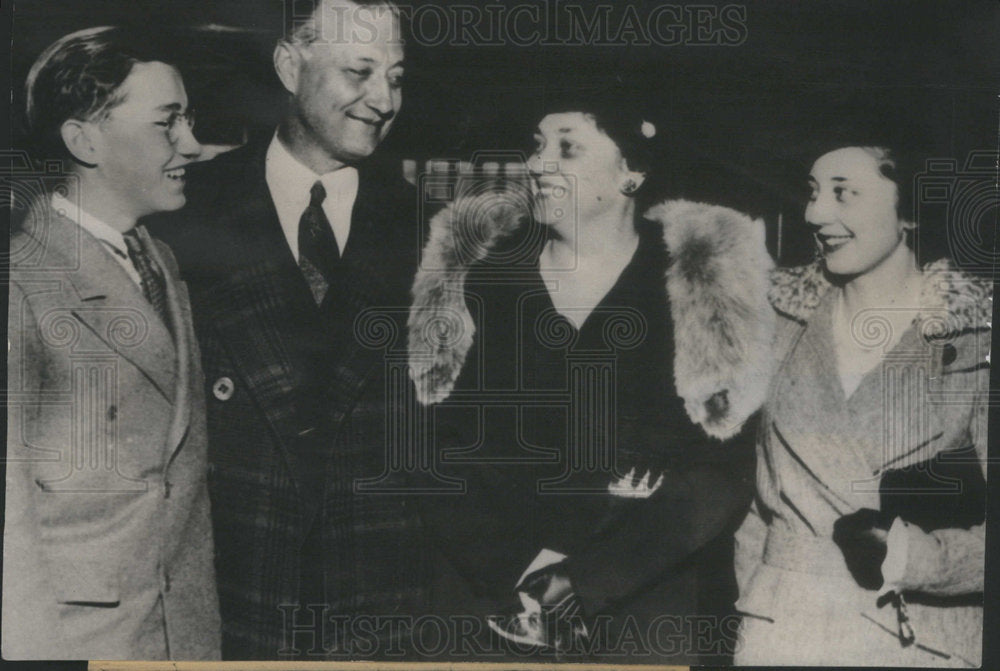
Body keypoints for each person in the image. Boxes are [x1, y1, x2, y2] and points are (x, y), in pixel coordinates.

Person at [407, 90, 775, 664]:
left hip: (644, 614)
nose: (537, 164)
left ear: (632, 173)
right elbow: (433, 447)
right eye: (536, 147)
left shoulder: (696, 286)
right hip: (489, 609)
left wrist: (586, 580)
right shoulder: (484, 280)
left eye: (568, 148)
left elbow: (720, 471)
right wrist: (518, 569)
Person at [147, 0, 426, 659]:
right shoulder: (182, 216)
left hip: (384, 616)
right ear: (287, 64)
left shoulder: (436, 234)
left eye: (397, 76)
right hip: (227, 602)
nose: (382, 99)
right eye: (359, 71)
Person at [4, 27, 220, 660]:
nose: (192, 143)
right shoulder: (23, 283)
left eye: (188, 120)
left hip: (183, 633)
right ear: (84, 140)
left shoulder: (164, 263)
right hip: (85, 643)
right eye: (167, 123)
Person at [733, 143, 990, 666]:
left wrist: (912, 557)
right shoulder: (779, 322)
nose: (815, 213)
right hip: (781, 631)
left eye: (843, 193)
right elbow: (756, 508)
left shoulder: (977, 340)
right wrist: (754, 606)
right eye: (812, 192)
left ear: (910, 213)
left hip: (914, 638)